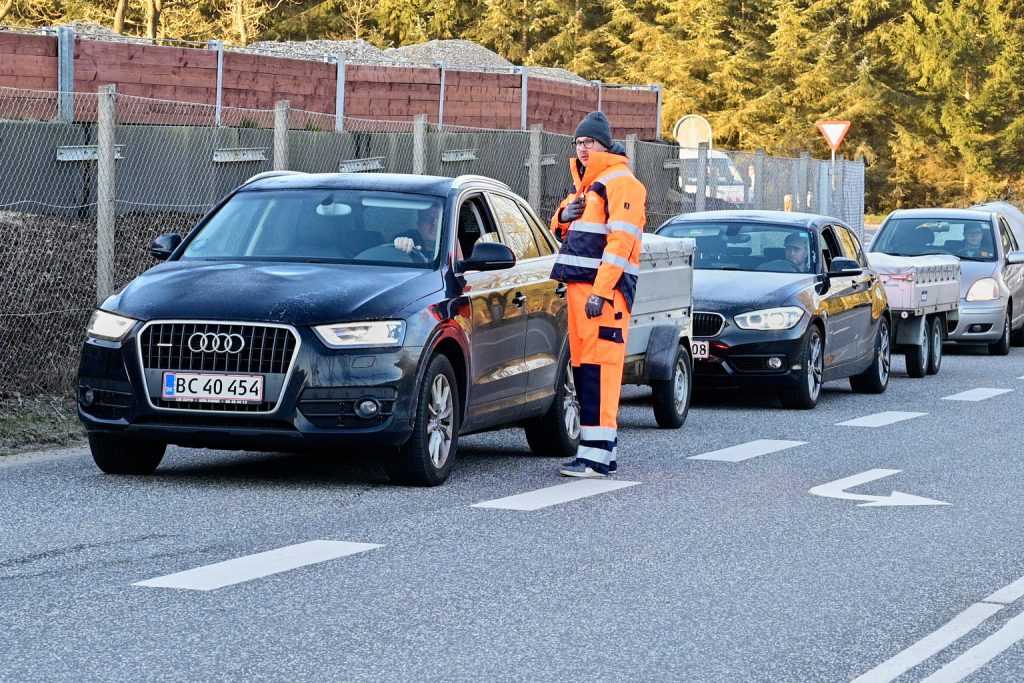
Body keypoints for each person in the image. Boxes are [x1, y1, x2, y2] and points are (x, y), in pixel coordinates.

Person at [549, 111, 647, 478]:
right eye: (578, 142)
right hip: (582, 291)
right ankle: (593, 454)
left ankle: (597, 458)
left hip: (603, 297)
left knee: (601, 373)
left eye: (589, 141)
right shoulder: (586, 186)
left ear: (605, 144)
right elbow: (567, 235)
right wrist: (562, 214)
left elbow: (621, 244)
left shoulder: (621, 183)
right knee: (585, 372)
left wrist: (602, 292)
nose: (583, 148)